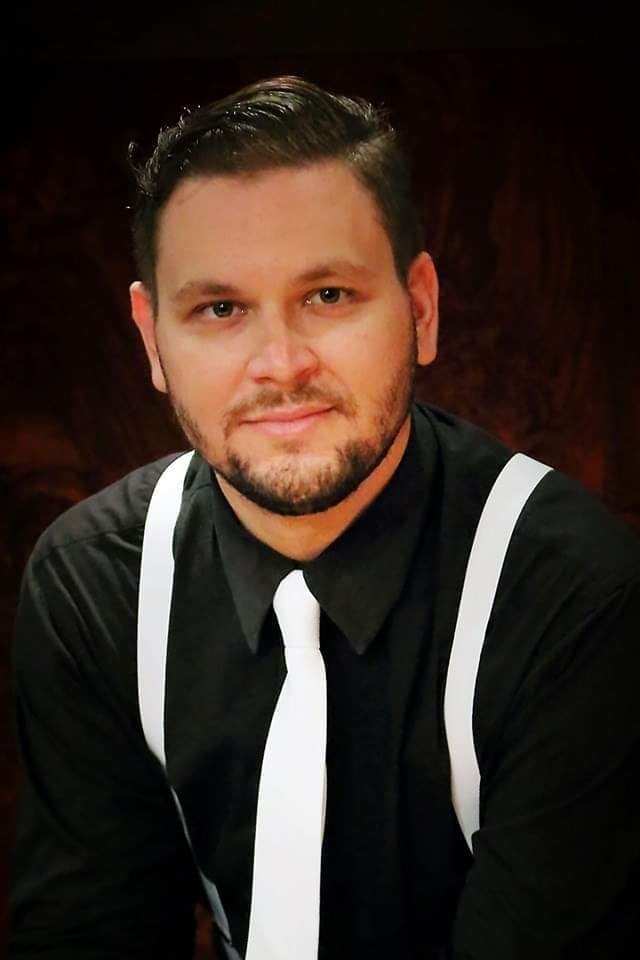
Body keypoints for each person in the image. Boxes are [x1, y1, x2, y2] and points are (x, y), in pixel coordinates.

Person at [9, 76, 640, 960]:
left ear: (421, 309)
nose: (281, 363)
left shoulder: (573, 596)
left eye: (329, 296)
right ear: (152, 339)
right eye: (220, 308)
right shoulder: (96, 585)